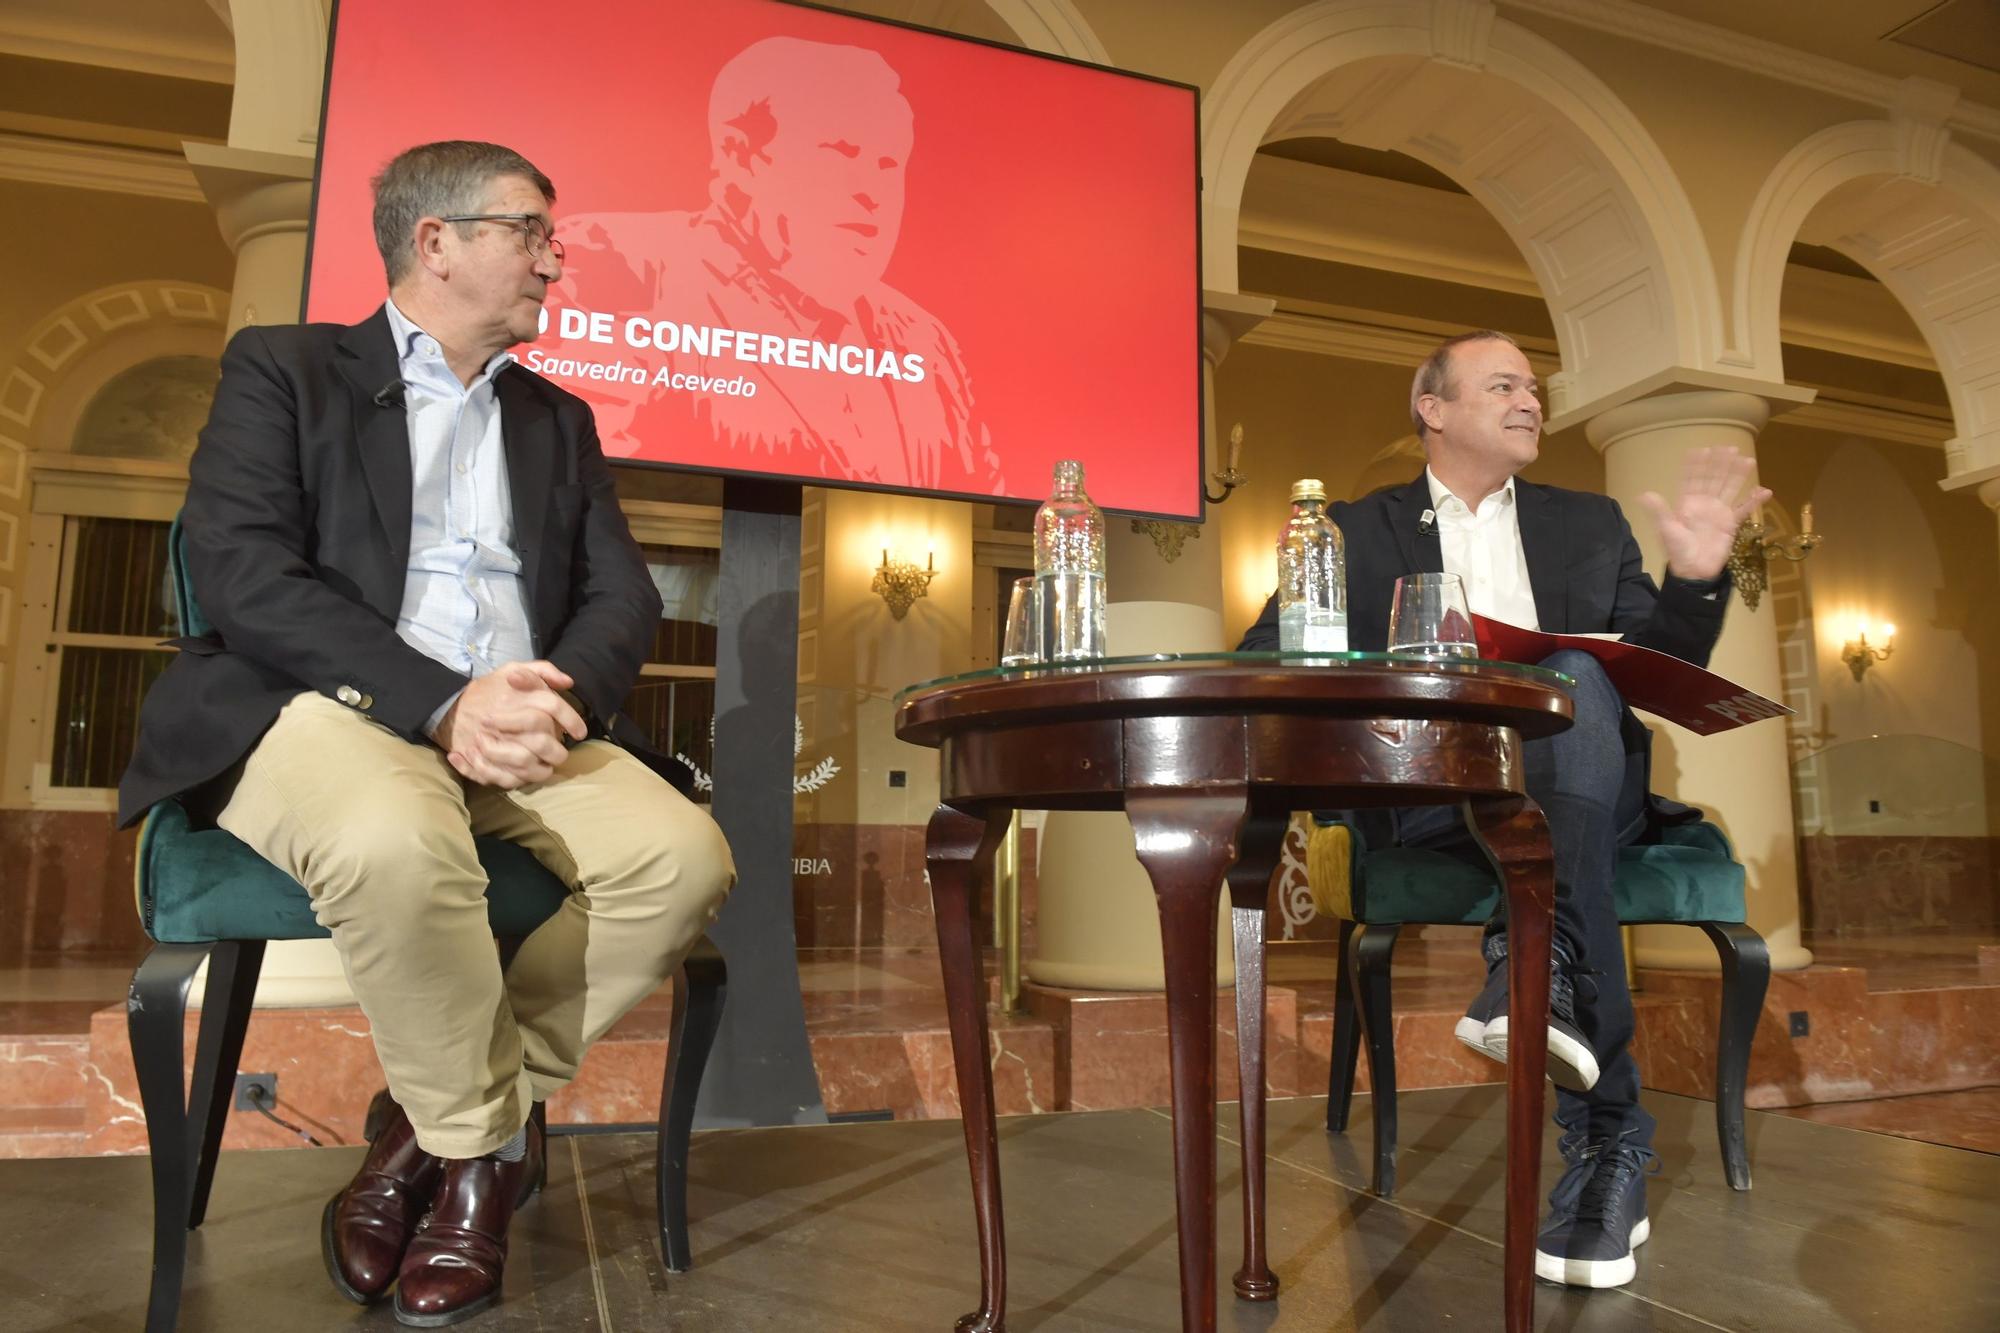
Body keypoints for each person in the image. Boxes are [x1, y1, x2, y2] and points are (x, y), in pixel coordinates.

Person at [117, 140, 736, 1328]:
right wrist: (440, 703)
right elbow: (245, 577)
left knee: (682, 859)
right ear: (434, 241)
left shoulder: (558, 417)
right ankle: (483, 1164)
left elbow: (624, 597)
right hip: (327, 705)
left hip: (520, 714)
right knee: (397, 843)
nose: (557, 259)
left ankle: (412, 1137)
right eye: (532, 232)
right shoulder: (284, 369)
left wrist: (545, 699)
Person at [1240, 329, 1766, 1290]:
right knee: (1570, 863)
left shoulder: (1589, 521)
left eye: (1534, 386)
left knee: (1574, 680)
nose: (1532, 399)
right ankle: (1610, 1145)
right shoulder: (1354, 531)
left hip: (1587, 785)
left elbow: (1662, 668)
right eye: (1503, 384)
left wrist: (1693, 579)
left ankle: (1545, 993)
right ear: (1431, 408)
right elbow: (1266, 655)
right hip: (1436, 798)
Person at [552, 35, 1001, 492]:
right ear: (740, 155)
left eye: (888, 163)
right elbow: (567, 478)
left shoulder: (927, 342)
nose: (872, 191)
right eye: (841, 153)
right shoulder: (619, 262)